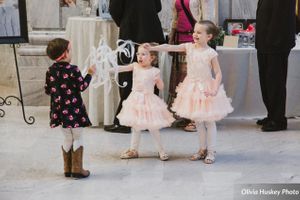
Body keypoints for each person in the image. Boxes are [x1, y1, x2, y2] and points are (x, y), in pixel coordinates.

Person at [146, 20, 233, 164]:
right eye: (194, 31)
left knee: (210, 122)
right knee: (198, 121)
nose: (195, 34)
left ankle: (211, 151)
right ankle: (202, 149)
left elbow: (218, 73)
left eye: (199, 32)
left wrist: (215, 87)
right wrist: (154, 47)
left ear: (209, 37)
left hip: (206, 89)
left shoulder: (210, 53)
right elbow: (170, 47)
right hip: (191, 88)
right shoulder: (189, 47)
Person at [106, 0, 165, 133]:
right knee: (150, 76)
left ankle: (125, 122)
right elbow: (158, 7)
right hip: (151, 30)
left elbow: (115, 9)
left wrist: (127, 19)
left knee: (127, 78)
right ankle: (148, 121)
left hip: (131, 32)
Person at [111, 44, 175, 161]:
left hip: (149, 101)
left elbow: (161, 87)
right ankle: (133, 150)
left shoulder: (155, 71)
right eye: (138, 54)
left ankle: (161, 150)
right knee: (136, 126)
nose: (140, 57)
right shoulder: (135, 66)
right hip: (135, 100)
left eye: (143, 54)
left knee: (153, 127)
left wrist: (158, 81)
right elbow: (121, 68)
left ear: (152, 58)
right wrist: (108, 69)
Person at [45, 38, 95, 178]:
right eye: (70, 50)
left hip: (59, 112)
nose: (71, 52)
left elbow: (48, 90)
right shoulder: (73, 70)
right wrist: (90, 74)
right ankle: (78, 170)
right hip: (74, 111)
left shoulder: (50, 71)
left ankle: (68, 169)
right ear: (65, 54)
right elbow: (82, 86)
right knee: (78, 136)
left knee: (67, 137)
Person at [168, 0, 218, 132]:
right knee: (182, 80)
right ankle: (186, 114)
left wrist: (203, 41)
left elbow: (208, 19)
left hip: (195, 39)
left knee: (194, 80)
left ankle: (196, 119)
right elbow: (175, 17)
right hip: (180, 38)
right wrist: (171, 36)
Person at [255, 0, 296, 131]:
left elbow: (282, 17)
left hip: (276, 43)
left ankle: (278, 120)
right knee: (266, 82)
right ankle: (272, 114)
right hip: (264, 42)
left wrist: (272, 41)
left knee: (275, 83)